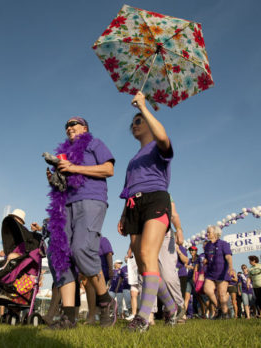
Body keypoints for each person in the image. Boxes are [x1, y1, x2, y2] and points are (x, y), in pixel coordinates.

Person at [46, 116, 116, 329]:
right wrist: (58, 177)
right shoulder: (64, 152)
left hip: (91, 199)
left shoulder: (95, 144)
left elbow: (108, 170)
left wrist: (74, 168)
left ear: (84, 128)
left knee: (81, 249)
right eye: (66, 126)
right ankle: (68, 318)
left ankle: (105, 300)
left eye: (73, 124)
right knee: (58, 254)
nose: (69, 128)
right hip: (66, 204)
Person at [118, 91, 176, 332]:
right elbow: (128, 188)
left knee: (147, 253)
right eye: (132, 123)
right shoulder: (133, 160)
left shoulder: (158, 147)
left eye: (138, 121)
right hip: (134, 205)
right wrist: (123, 215)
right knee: (143, 263)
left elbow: (163, 137)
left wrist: (144, 107)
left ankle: (142, 318)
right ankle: (171, 308)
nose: (134, 125)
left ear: (149, 124)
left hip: (156, 200)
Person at [202, 225, 234, 319]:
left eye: (209, 232)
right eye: (207, 232)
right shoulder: (207, 245)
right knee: (207, 289)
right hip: (211, 273)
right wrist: (206, 261)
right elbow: (208, 257)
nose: (207, 234)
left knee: (221, 294)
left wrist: (230, 268)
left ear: (215, 233)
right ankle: (219, 308)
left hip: (222, 272)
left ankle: (224, 315)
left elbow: (228, 256)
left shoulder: (224, 244)